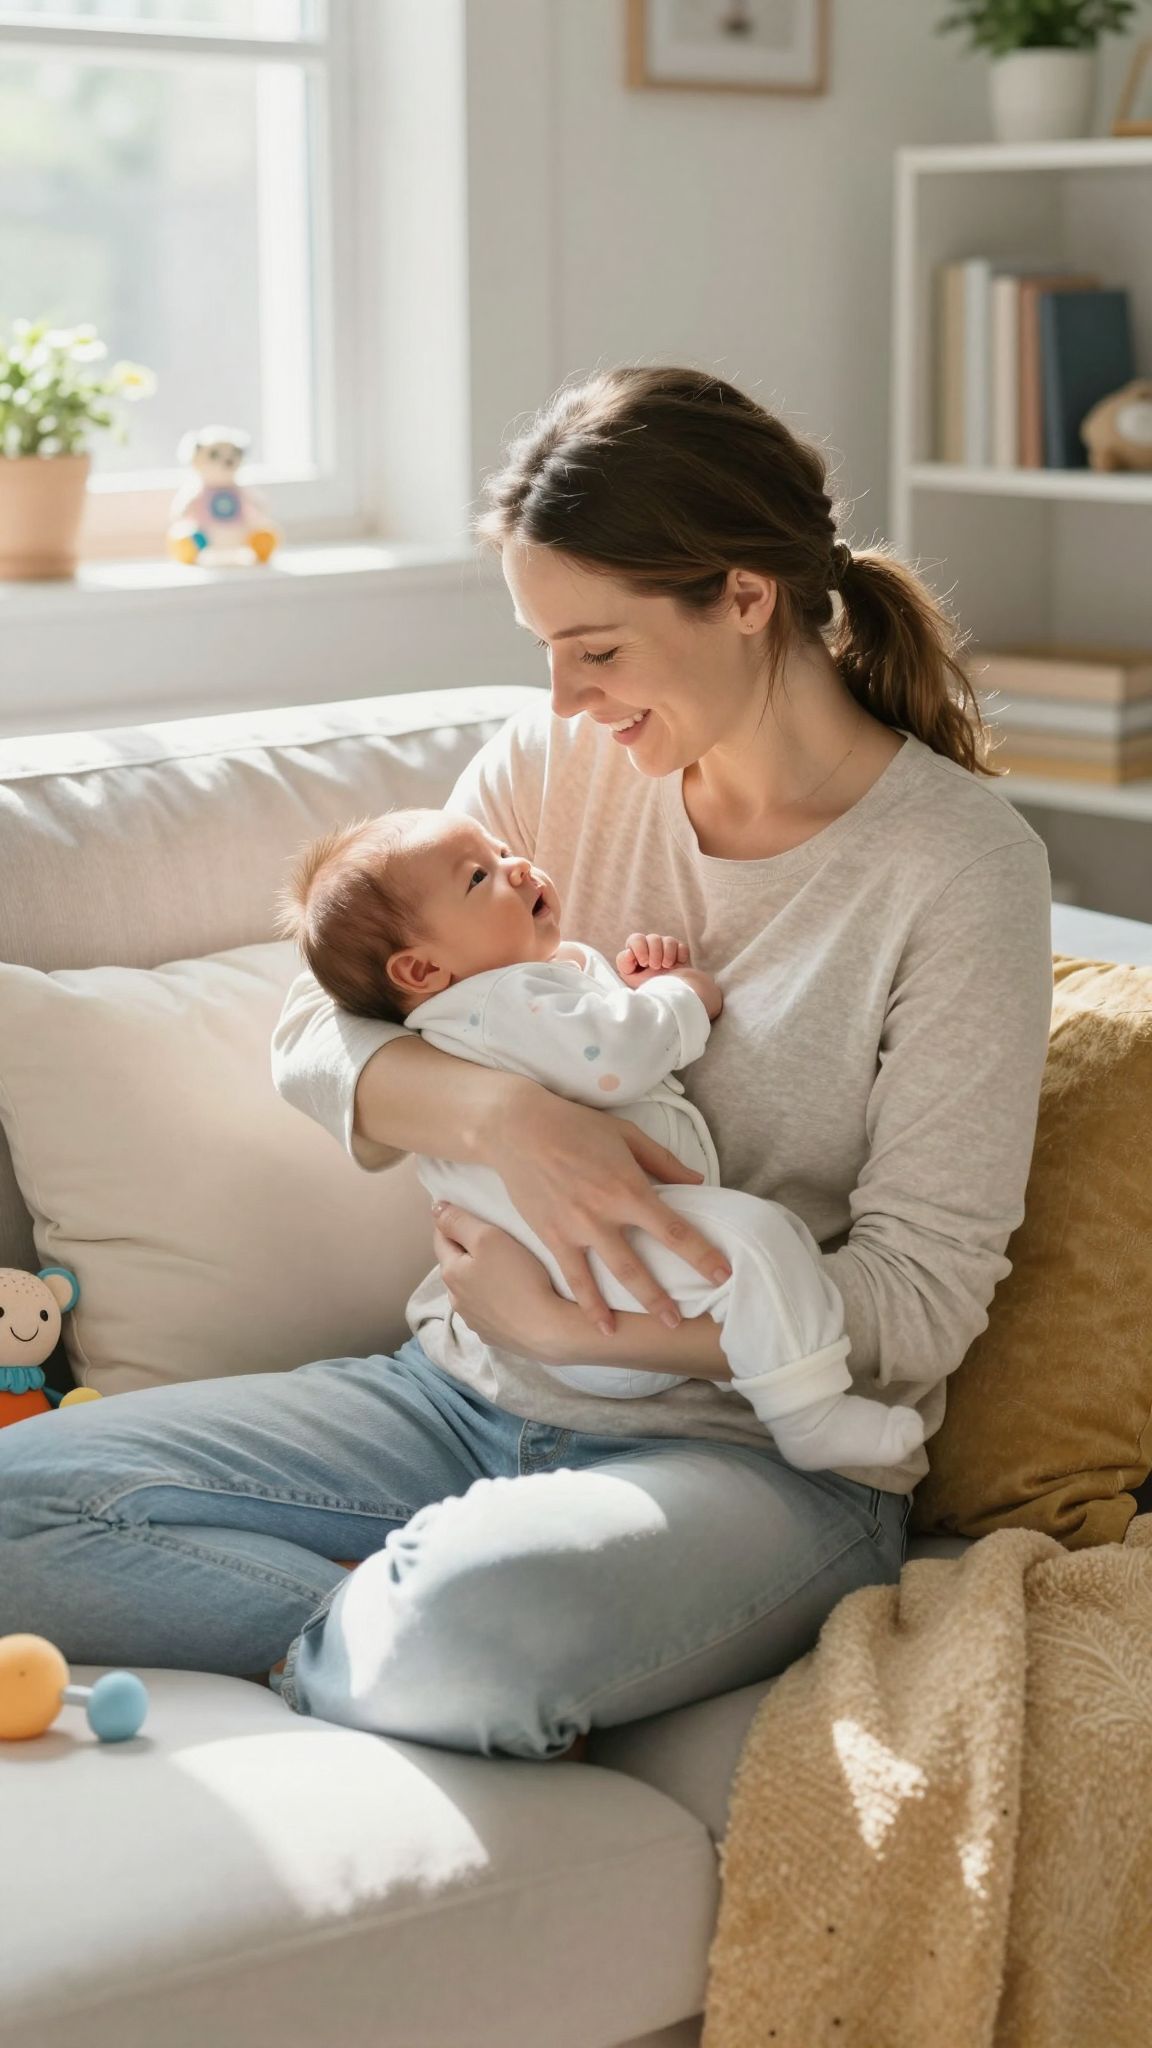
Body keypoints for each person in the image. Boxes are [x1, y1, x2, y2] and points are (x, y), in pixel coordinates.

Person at [0, 366, 1053, 1763]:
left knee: (474, 1635)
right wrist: (506, 1119)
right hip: (452, 1393)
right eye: (547, 647)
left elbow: (920, 1300)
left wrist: (579, 1331)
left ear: (746, 595)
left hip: (751, 1456)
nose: (563, 695)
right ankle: (386, 1628)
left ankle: (431, 1630)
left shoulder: (958, 870)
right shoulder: (555, 768)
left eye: (596, 648)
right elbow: (319, 1030)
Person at [272, 802, 925, 1471]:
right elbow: (615, 1058)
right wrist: (680, 995)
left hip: (583, 1314)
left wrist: (620, 984)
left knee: (759, 1259)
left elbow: (577, 1033)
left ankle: (779, 1382)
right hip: (602, 1281)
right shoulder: (498, 1001)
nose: (516, 865)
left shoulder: (478, 1005)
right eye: (479, 876)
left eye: (502, 850)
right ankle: (808, 1414)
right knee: (763, 1242)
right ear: (419, 972)